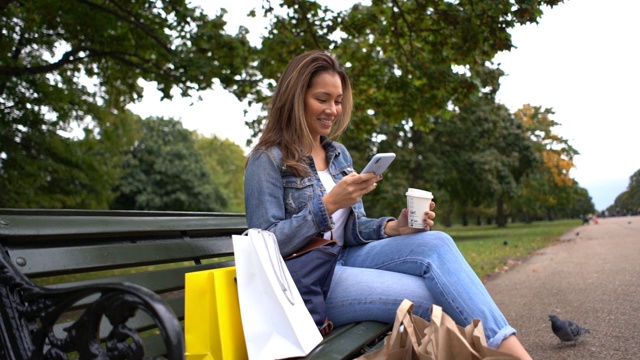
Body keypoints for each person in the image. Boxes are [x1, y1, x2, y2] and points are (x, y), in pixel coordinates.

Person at [244, 50, 532, 359]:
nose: (333, 110)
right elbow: (266, 245)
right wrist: (326, 205)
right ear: (296, 98)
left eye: (338, 101)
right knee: (434, 295)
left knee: (437, 243)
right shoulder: (267, 159)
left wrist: (394, 227)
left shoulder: (337, 153)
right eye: (322, 99)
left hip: (348, 259)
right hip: (312, 281)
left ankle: (515, 354)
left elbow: (351, 230)